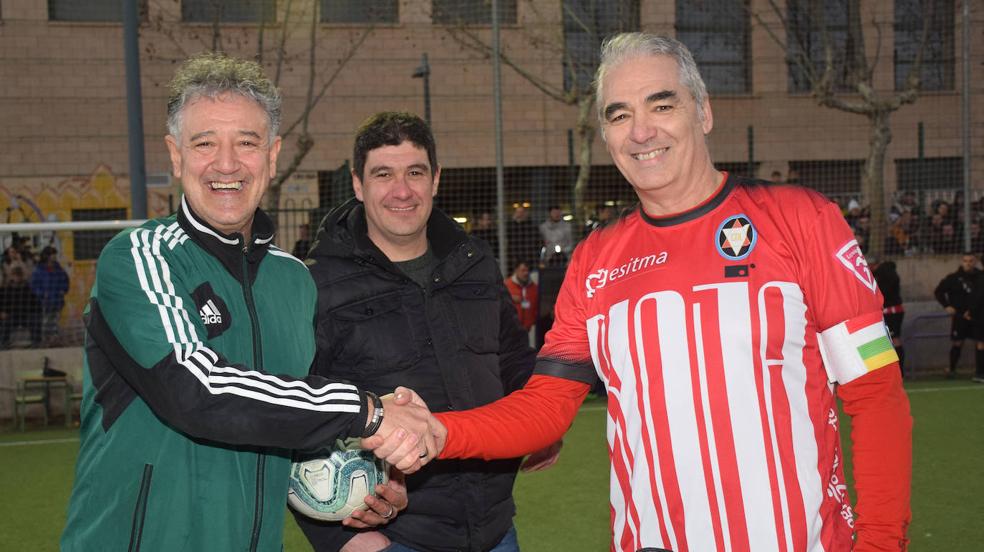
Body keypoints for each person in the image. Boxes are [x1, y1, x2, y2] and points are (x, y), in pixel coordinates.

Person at [371, 33, 913, 552]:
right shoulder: (595, 259)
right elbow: (545, 409)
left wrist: (883, 543)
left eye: (662, 105)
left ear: (703, 112)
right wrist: (440, 429)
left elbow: (875, 392)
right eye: (619, 114)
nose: (641, 131)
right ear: (605, 136)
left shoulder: (801, 220)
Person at [61, 54, 435, 552]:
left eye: (247, 142)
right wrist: (365, 412)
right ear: (175, 156)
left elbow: (287, 414)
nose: (227, 164)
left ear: (273, 155)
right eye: (205, 143)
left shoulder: (294, 281)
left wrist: (362, 480)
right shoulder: (138, 258)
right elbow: (196, 390)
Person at [301, 112, 554, 552]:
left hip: (495, 528)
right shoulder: (318, 286)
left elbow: (513, 357)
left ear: (435, 179)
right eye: (383, 174)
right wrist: (335, 541)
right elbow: (297, 412)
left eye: (414, 172)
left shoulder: (473, 261)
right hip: (395, 538)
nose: (402, 190)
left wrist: (544, 424)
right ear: (358, 185)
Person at [934, 253, 984, 380]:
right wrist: (946, 305)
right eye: (965, 261)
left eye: (971, 261)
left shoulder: (980, 277)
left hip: (977, 316)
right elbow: (939, 291)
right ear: (962, 262)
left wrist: (973, 310)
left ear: (975, 262)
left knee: (980, 342)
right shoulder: (954, 278)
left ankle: (980, 373)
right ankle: (952, 369)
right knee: (958, 342)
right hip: (960, 316)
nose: (968, 263)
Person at [869, 255, 905, 377]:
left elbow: (889, 285)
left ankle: (898, 371)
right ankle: (896, 371)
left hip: (892, 311)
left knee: (893, 340)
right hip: (890, 311)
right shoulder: (887, 272)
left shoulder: (885, 273)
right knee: (892, 340)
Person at [29, 245, 69, 345]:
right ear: (47, 256)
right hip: (45, 301)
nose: (54, 256)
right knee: (46, 321)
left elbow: (65, 280)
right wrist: (42, 294)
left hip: (57, 300)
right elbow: (34, 285)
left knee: (55, 320)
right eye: (52, 254)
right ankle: (46, 340)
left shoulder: (58, 268)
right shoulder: (39, 270)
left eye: (55, 254)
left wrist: (63, 290)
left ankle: (54, 340)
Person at [0, 265, 41, 348]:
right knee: (5, 323)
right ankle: (3, 343)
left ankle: (36, 343)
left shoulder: (27, 288)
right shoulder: (6, 289)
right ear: (11, 276)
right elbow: (2, 303)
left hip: (25, 315)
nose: (17, 277)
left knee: (35, 320)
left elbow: (35, 303)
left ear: (22, 276)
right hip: (11, 315)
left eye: (19, 275)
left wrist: (34, 313)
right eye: (15, 275)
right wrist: (2, 312)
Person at [504, 260, 538, 333]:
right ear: (516, 270)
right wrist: (510, 298)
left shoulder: (534, 288)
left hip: (529, 330)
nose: (526, 273)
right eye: (523, 270)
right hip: (510, 330)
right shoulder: (507, 286)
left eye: (527, 270)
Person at [506, 205, 540, 270]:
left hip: (529, 257)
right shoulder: (511, 226)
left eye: (522, 212)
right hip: (515, 257)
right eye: (518, 212)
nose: (520, 214)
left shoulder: (531, 226)